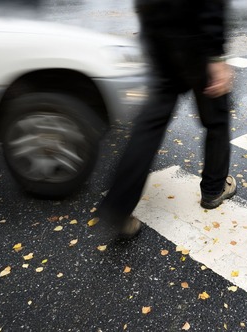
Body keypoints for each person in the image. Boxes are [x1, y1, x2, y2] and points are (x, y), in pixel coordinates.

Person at [98, 0, 236, 238]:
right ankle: (213, 190)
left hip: (158, 32)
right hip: (195, 35)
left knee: (150, 125)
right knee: (217, 118)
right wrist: (215, 57)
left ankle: (118, 207)